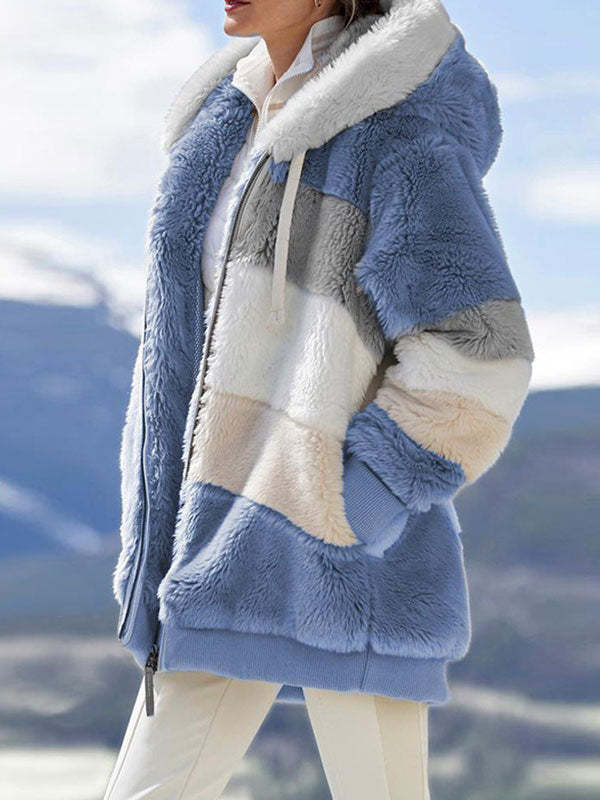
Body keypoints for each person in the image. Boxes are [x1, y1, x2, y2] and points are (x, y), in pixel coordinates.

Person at [105, 0, 535, 797]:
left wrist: (345, 512)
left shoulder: (397, 133)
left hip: (350, 570)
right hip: (212, 557)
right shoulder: (225, 124)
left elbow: (481, 355)